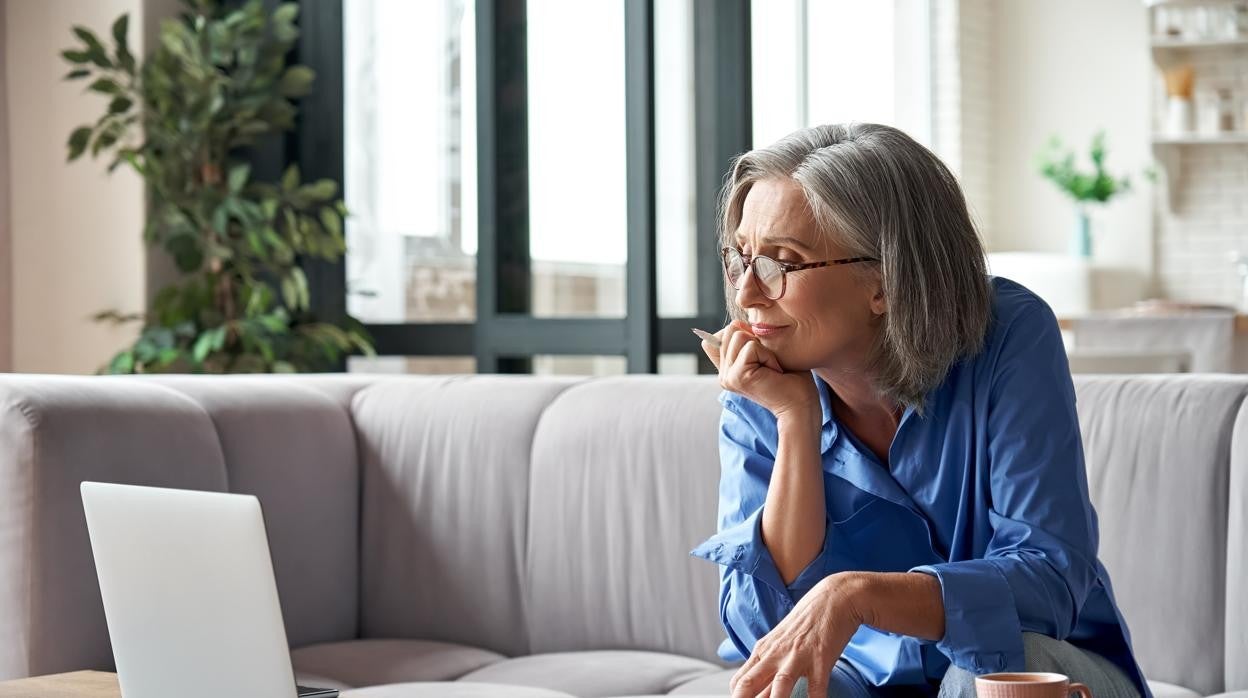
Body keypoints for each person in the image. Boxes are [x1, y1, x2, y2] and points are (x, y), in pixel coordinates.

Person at [690, 123, 1148, 698]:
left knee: (987, 674)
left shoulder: (1008, 333)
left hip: (1044, 663)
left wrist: (855, 595)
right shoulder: (762, 380)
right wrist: (796, 425)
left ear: (884, 281)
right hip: (868, 679)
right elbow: (764, 631)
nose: (749, 295)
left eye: (781, 261)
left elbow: (1049, 579)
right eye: (741, 259)